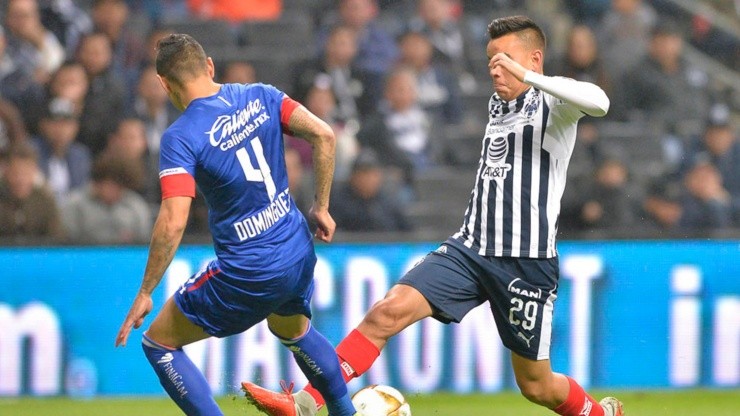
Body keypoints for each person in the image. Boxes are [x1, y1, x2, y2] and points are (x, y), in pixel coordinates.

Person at [242, 15, 623, 416]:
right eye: (491, 60)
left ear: (534, 57)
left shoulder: (555, 105)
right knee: (385, 312)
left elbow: (601, 102)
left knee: (536, 385)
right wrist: (516, 72)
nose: (497, 68)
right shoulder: (498, 103)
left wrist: (529, 76)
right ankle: (304, 403)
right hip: (470, 249)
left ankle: (601, 414)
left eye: (506, 59)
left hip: (525, 263)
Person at [113, 34, 357, 416]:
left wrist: (146, 290)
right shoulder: (262, 95)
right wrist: (321, 207)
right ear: (209, 66)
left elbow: (174, 219)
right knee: (292, 330)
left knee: (158, 344)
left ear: (164, 84)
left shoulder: (180, 137)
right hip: (296, 250)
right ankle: (346, 412)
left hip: (249, 271)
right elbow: (325, 135)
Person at [61, 154, 151, 244]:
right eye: (111, 185)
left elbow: (143, 239)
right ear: (98, 182)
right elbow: (66, 239)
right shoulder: (75, 204)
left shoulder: (136, 206)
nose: (115, 191)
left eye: (120, 187)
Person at [330, 149, 412, 232]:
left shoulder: (389, 202)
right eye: (363, 173)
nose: (368, 179)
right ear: (353, 176)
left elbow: (407, 233)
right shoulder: (338, 202)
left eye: (373, 174)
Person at [0, 143, 64, 241]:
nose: (20, 179)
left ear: (34, 171)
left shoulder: (45, 201)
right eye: (15, 173)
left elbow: (57, 239)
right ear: (5, 171)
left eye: (26, 173)